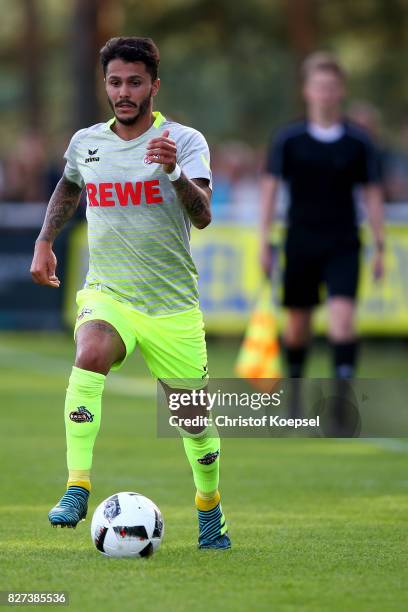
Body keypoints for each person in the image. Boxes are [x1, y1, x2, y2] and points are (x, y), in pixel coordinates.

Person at [30, 37, 230, 550]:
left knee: (195, 427)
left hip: (172, 307)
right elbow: (69, 185)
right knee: (90, 351)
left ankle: (209, 509)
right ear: (106, 84)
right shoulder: (86, 142)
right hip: (109, 293)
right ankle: (78, 485)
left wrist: (174, 172)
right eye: (115, 82)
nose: (123, 92)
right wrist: (45, 240)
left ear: (153, 86)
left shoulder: (183, 141)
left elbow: (204, 215)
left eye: (134, 82)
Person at [260, 52, 384, 395]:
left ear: (340, 90)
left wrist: (379, 246)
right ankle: (295, 393)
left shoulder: (359, 142)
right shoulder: (288, 139)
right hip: (300, 241)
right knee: (297, 327)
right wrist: (264, 243)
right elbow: (270, 191)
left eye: (331, 87)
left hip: (343, 242)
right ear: (307, 91)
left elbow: (372, 193)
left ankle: (342, 402)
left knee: (342, 320)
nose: (325, 94)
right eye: (319, 87)